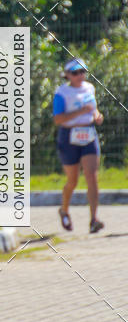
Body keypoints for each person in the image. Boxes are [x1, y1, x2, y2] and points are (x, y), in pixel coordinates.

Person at [53, 57, 104, 233]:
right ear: (67, 75)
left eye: (82, 71)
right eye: (75, 72)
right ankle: (64, 210)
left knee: (91, 175)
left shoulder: (90, 87)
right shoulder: (61, 93)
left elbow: (93, 108)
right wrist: (80, 112)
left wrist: (97, 115)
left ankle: (94, 219)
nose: (80, 75)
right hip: (69, 136)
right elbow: (58, 119)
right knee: (72, 181)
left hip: (88, 134)